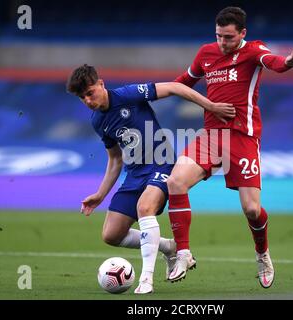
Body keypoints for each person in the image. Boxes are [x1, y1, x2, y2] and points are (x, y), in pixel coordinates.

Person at [166, 7, 293, 288]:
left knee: (252, 210)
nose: (222, 42)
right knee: (175, 181)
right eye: (219, 36)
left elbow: (275, 62)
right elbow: (184, 82)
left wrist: (290, 61)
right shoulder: (206, 53)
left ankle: (262, 254)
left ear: (242, 33)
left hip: (243, 137)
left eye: (228, 37)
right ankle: (183, 253)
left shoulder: (254, 51)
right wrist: (151, 91)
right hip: (211, 136)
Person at [66, 64, 235, 294]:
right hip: (135, 174)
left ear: (101, 84)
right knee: (111, 234)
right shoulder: (98, 121)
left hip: (161, 164)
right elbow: (115, 159)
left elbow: (175, 87)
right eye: (82, 97)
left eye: (90, 92)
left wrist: (210, 106)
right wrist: (100, 194)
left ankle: (146, 279)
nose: (87, 100)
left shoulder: (128, 95)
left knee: (144, 206)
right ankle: (169, 247)